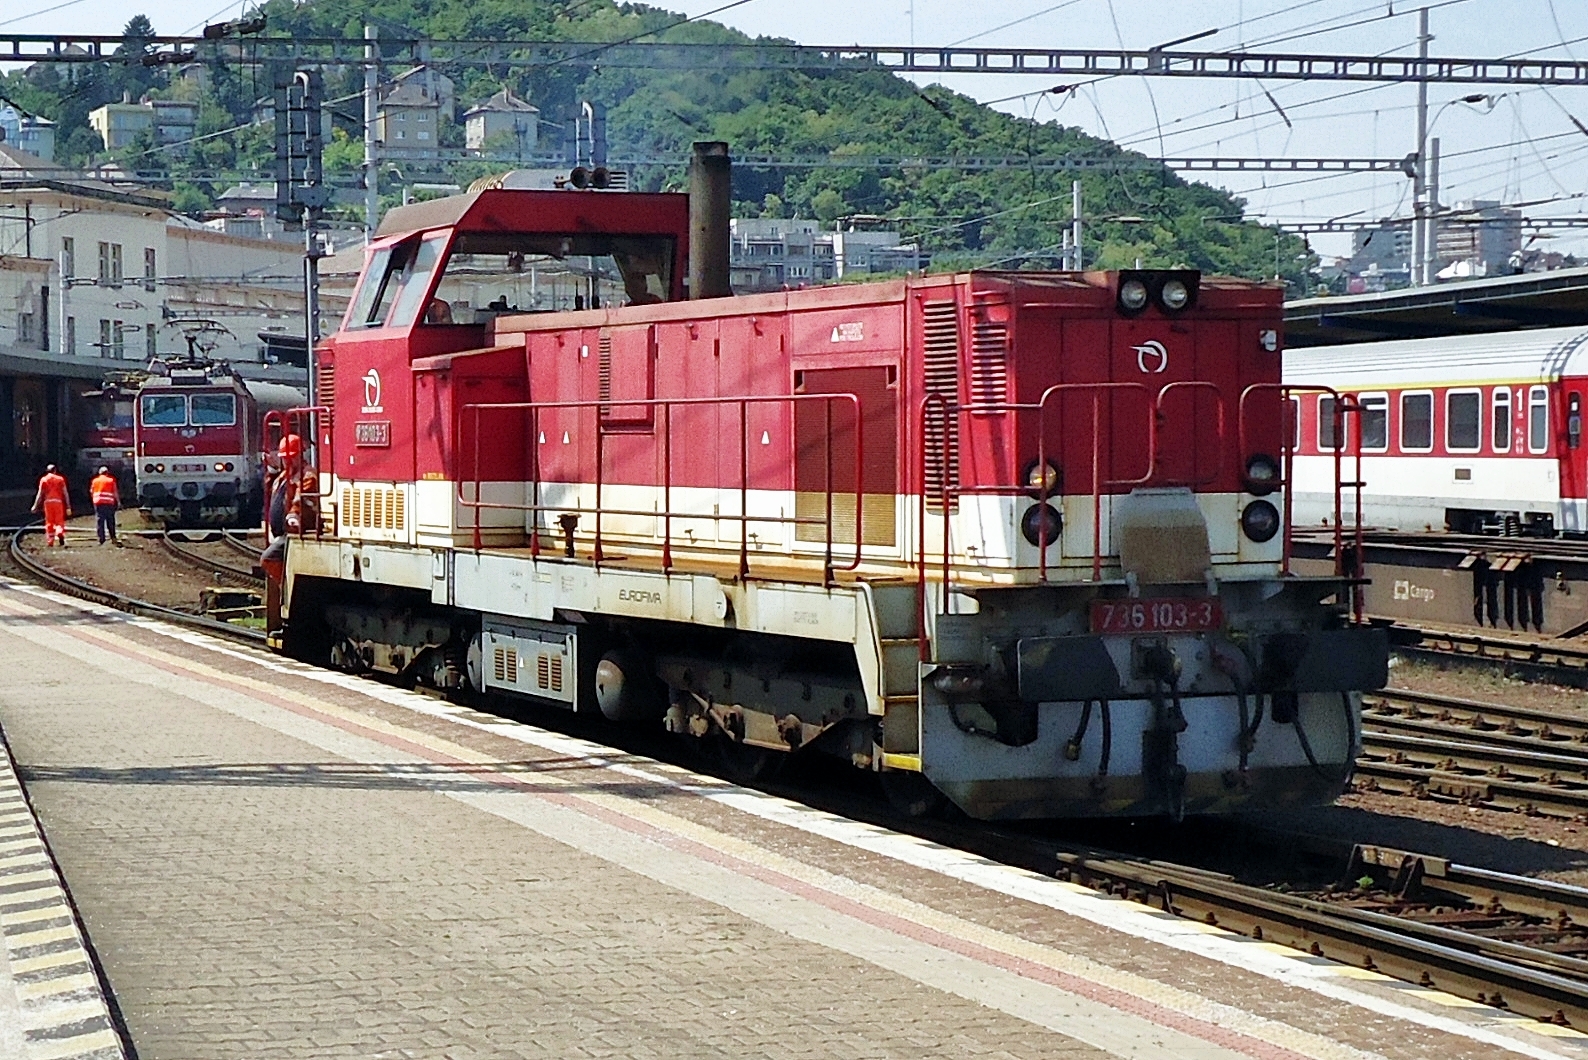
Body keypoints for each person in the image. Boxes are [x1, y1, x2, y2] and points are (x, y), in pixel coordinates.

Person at [31, 464, 70, 547]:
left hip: (48, 502)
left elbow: (40, 494)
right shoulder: (60, 479)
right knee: (59, 521)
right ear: (55, 470)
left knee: (49, 522)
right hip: (58, 502)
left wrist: (35, 505)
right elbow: (65, 493)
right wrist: (68, 506)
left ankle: (50, 541)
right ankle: (59, 532)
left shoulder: (44, 479)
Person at [90, 465, 122, 546]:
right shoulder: (111, 480)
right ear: (107, 473)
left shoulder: (95, 481)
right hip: (109, 503)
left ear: (99, 473)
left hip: (98, 503)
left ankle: (101, 539)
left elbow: (91, 491)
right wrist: (118, 502)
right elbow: (115, 492)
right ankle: (113, 537)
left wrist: (94, 500)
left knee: (100, 521)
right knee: (110, 521)